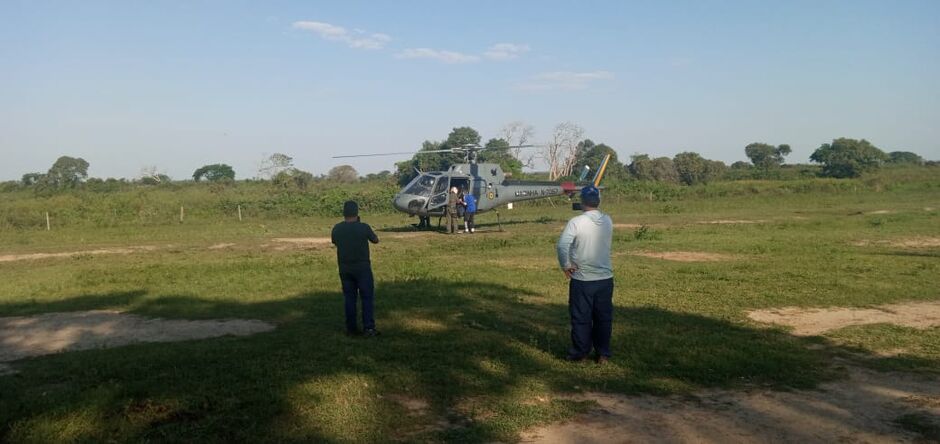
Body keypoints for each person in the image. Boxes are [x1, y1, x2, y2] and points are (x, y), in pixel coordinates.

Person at [555, 186, 614, 364]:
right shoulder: (607, 220)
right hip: (605, 278)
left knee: (581, 318)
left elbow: (562, 245)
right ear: (598, 201)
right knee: (603, 318)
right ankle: (603, 353)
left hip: (583, 279)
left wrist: (566, 265)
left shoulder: (576, 222)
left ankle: (580, 353)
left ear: (582, 202)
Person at [331, 201, 380, 337]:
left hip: (345, 267)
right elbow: (375, 240)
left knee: (349, 298)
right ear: (357, 213)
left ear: (343, 213)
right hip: (362, 267)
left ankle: (351, 329)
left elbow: (334, 241)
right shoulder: (363, 227)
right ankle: (369, 328)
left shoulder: (337, 228)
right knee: (366, 298)